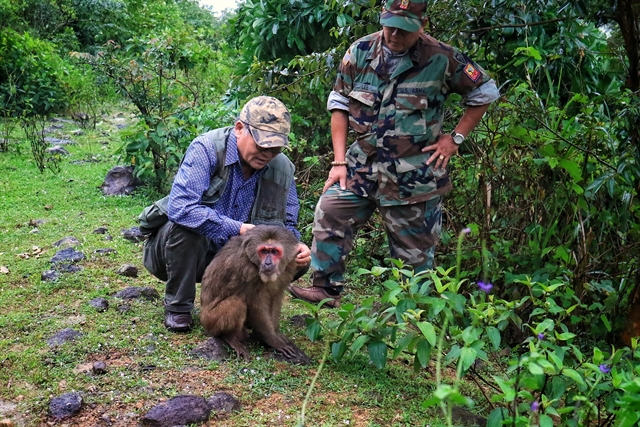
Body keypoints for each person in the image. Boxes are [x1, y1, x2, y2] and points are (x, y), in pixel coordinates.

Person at [289, 0, 500, 308]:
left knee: (415, 257)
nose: (395, 35)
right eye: (390, 26)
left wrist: (454, 139)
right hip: (361, 167)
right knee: (331, 210)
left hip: (414, 177)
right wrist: (338, 162)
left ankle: (412, 315)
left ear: (422, 25)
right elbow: (339, 103)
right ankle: (326, 289)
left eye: (404, 30)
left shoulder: (442, 57)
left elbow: (484, 92)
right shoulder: (360, 51)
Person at [140, 96, 311, 331]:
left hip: (236, 261)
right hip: (182, 254)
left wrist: (297, 245)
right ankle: (178, 307)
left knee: (295, 258)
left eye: (275, 148)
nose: (267, 154)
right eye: (262, 145)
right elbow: (181, 208)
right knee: (186, 228)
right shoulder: (207, 149)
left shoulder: (281, 167)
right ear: (240, 129)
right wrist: (237, 228)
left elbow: (288, 224)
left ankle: (251, 310)